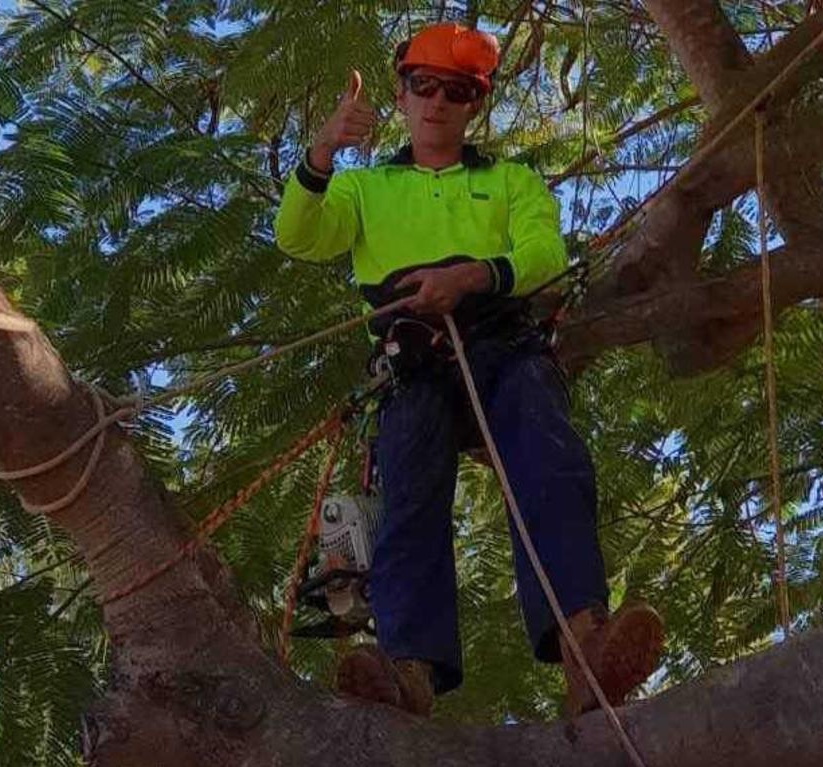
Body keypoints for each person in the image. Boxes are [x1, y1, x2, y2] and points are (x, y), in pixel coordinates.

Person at [274, 22, 663, 718]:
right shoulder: (366, 190)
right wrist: (324, 151)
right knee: (410, 487)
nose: (438, 102)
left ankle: (585, 647)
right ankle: (409, 671)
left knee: (548, 453)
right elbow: (299, 236)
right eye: (424, 85)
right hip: (411, 362)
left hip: (500, 341)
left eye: (458, 91)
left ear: (474, 104)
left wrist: (474, 275)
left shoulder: (510, 181)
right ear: (401, 94)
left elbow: (545, 253)